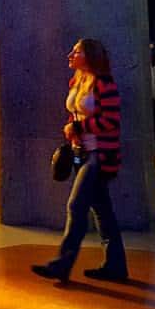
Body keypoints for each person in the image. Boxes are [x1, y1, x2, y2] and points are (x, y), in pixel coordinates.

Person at [32, 38, 127, 284]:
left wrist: (78, 126)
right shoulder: (78, 81)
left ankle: (62, 264)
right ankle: (116, 265)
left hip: (99, 154)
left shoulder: (104, 83)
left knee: (76, 206)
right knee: (103, 211)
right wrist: (73, 129)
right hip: (81, 152)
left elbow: (112, 121)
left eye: (76, 51)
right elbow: (76, 111)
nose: (70, 55)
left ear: (90, 56)